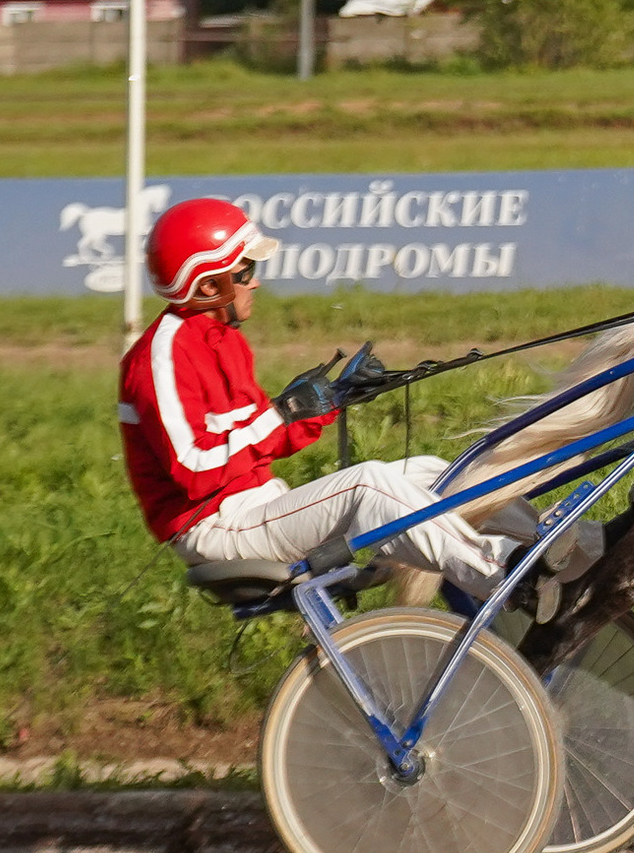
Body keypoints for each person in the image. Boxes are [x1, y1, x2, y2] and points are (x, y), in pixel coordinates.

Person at [117, 197, 596, 615]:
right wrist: (280, 413)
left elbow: (261, 440)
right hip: (217, 527)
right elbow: (193, 468)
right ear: (206, 286)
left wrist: (330, 401)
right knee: (369, 486)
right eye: (246, 272)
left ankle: (560, 553)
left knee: (429, 472)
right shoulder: (160, 357)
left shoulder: (223, 340)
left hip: (255, 506)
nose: (255, 283)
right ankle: (505, 573)